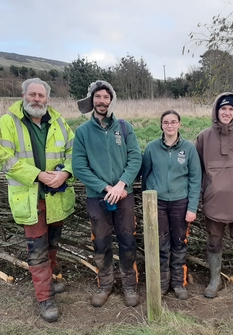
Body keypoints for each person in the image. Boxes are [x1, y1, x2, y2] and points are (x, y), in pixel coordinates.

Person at [0, 78, 75, 322]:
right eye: (33, 94)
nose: (37, 99)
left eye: (41, 95)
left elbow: (74, 151)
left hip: (56, 197)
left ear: (47, 98)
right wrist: (38, 175)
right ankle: (45, 298)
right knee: (37, 249)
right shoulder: (9, 122)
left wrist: (65, 172)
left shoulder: (59, 122)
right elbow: (2, 157)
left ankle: (48, 282)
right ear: (24, 95)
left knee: (51, 245)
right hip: (30, 198)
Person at [72, 80, 142, 308]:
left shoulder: (124, 127)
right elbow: (79, 166)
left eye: (106, 97)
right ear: (92, 100)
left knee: (127, 240)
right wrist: (106, 187)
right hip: (97, 197)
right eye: (98, 97)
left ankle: (130, 285)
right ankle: (105, 285)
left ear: (111, 100)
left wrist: (122, 185)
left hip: (124, 196)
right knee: (101, 243)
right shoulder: (83, 132)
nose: (102, 101)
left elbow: (135, 158)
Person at [195, 92, 233, 300]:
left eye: (231, 109)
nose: (227, 113)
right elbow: (198, 170)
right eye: (223, 109)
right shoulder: (203, 137)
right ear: (216, 110)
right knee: (214, 241)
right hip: (213, 203)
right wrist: (209, 190)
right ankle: (214, 280)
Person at [141, 110, 202, 300]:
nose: (169, 125)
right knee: (161, 243)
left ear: (179, 124)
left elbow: (195, 179)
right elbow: (145, 175)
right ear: (161, 125)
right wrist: (147, 201)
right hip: (157, 203)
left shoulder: (189, 149)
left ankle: (178, 283)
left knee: (179, 243)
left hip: (180, 203)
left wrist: (192, 207)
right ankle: (162, 283)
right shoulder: (151, 148)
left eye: (173, 122)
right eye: (166, 122)